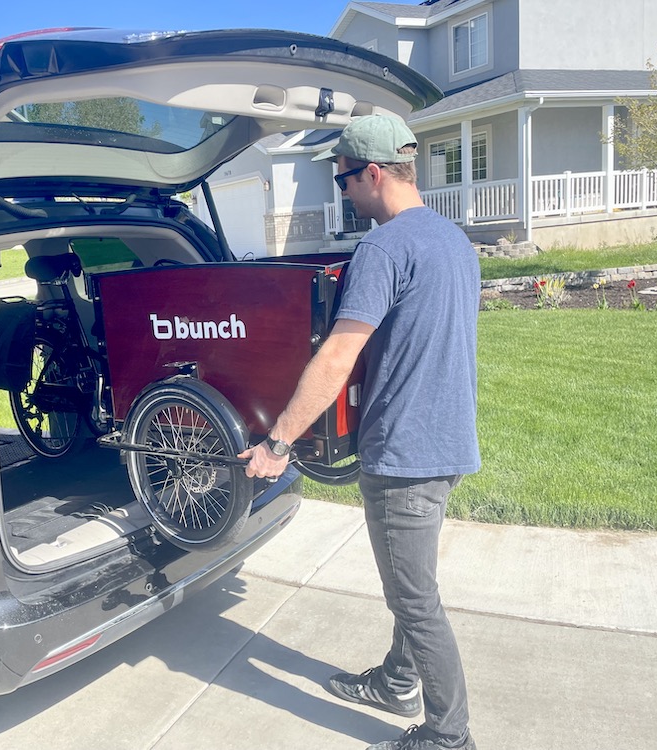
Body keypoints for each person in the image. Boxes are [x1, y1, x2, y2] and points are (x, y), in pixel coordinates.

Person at [238, 114, 481, 750]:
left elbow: (339, 355)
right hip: (449, 439)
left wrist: (278, 442)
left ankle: (448, 734)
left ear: (373, 173)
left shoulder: (383, 247)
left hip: (406, 450)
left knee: (414, 597)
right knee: (413, 581)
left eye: (344, 178)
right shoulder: (453, 240)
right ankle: (398, 679)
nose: (344, 191)